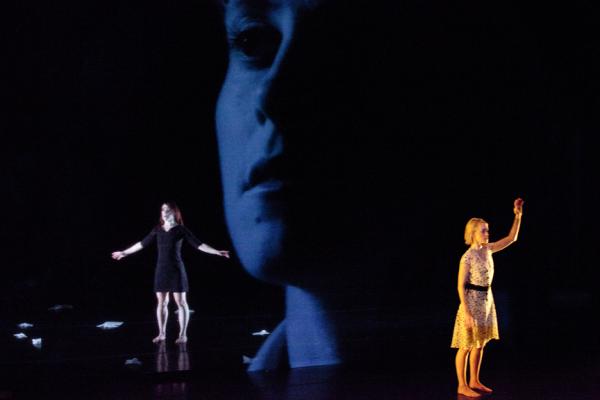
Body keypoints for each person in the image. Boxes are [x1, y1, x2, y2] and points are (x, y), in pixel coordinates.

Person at [112, 202, 230, 344]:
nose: (164, 212)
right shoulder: (157, 229)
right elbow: (142, 243)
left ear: (174, 212)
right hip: (161, 269)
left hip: (176, 270)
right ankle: (161, 333)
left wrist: (216, 252)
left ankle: (183, 335)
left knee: (181, 302)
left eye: (167, 209)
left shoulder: (181, 229)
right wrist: (124, 252)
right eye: (162, 209)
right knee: (161, 302)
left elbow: (199, 245)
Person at [451, 198, 524, 397]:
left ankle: (474, 379)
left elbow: (511, 239)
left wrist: (518, 216)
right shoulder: (467, 257)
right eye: (483, 230)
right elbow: (460, 285)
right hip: (472, 301)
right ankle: (462, 384)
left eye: (487, 230)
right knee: (466, 345)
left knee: (480, 343)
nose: (487, 233)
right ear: (473, 233)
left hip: (486, 300)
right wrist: (466, 311)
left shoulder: (489, 249)